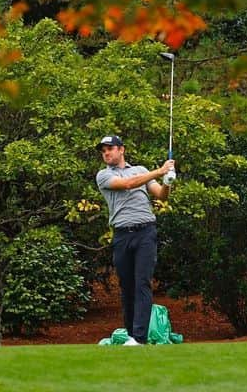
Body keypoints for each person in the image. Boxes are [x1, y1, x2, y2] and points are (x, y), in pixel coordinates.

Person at [95, 134, 174, 346]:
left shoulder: (141, 170)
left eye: (110, 149)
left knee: (142, 283)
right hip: (121, 235)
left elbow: (161, 195)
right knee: (127, 286)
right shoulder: (103, 176)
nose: (106, 153)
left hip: (145, 232)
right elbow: (128, 184)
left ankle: (139, 338)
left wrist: (168, 181)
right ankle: (132, 335)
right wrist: (159, 171)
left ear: (122, 150)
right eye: (103, 151)